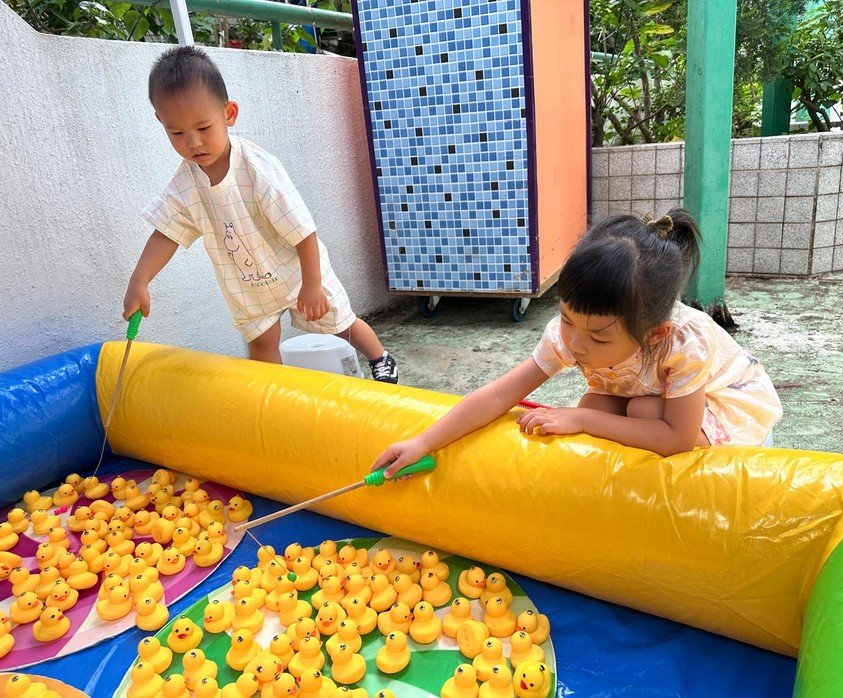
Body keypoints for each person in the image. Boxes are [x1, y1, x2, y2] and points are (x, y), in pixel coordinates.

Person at [374, 209, 782, 474]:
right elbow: (500, 394)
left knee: (630, 410)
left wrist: (582, 420)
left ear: (653, 333)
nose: (576, 344)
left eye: (599, 337)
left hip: (719, 404)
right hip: (646, 392)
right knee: (597, 404)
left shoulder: (682, 342)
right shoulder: (572, 332)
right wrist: (423, 442)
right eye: (567, 320)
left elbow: (677, 437)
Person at [123, 46, 398, 382]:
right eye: (177, 133)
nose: (193, 142)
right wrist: (140, 281)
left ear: (229, 114)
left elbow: (303, 230)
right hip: (248, 286)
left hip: (297, 269)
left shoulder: (257, 168)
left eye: (203, 128)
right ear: (161, 123)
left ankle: (380, 357)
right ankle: (272, 397)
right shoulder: (185, 183)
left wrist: (312, 284)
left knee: (340, 323)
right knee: (262, 345)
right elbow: (167, 232)